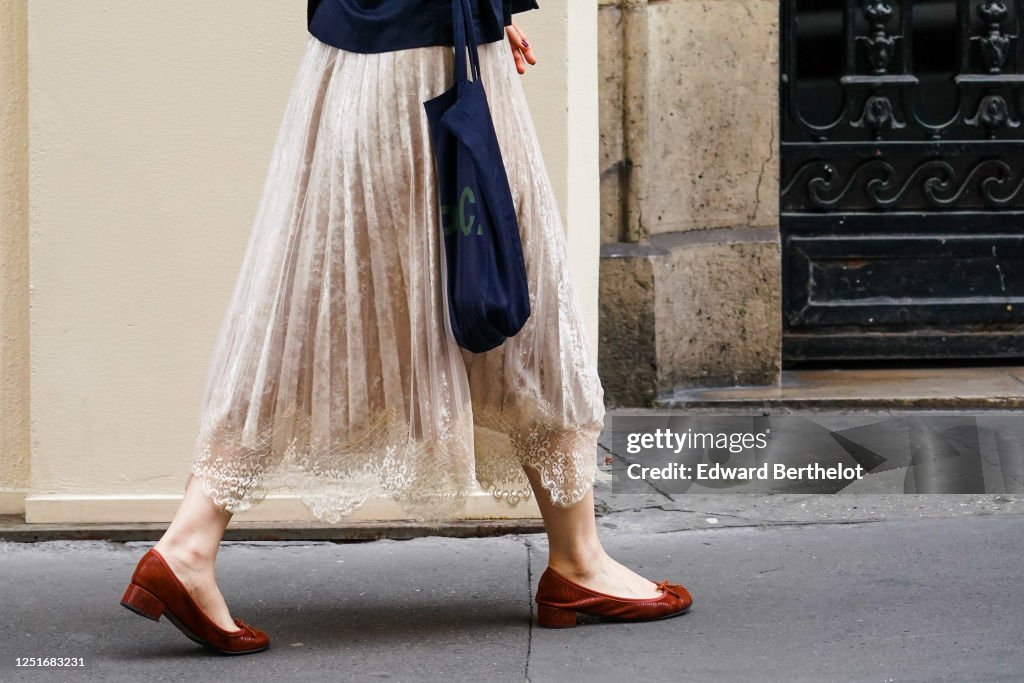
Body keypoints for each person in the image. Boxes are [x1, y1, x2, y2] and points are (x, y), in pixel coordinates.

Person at [120, 0, 691, 655]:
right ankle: (578, 558)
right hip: (432, 52)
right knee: (515, 288)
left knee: (310, 301)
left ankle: (190, 540)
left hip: (355, 58)